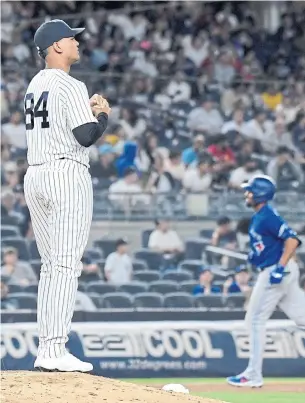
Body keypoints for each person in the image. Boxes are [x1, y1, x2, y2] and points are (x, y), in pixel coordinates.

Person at [23, 19, 111, 373]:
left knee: (51, 266)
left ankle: (48, 345)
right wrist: (102, 115)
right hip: (66, 175)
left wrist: (86, 114)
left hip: (36, 175)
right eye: (71, 38)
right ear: (56, 46)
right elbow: (86, 136)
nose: (77, 42)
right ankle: (54, 349)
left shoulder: (34, 84)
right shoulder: (72, 84)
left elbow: (62, 125)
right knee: (65, 265)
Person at [227, 175, 305, 388]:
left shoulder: (267, 215)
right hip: (279, 269)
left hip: (277, 271)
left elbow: (292, 240)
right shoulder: (260, 216)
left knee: (254, 320)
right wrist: (255, 255)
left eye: (250, 191)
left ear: (260, 194)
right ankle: (252, 373)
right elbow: (267, 245)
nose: (247, 194)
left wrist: (279, 267)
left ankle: (253, 374)